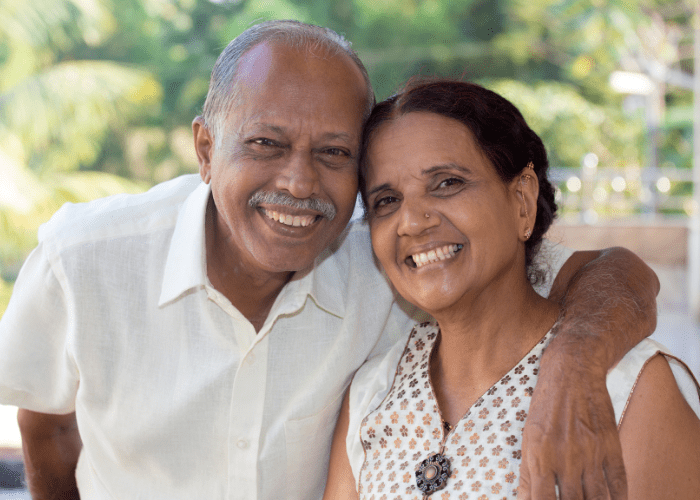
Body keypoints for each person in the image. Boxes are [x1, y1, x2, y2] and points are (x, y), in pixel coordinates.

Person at [0, 21, 661, 500]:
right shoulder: (83, 261)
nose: (298, 183)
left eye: (334, 154)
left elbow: (610, 272)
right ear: (205, 148)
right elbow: (48, 421)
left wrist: (573, 362)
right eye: (265, 142)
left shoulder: (389, 257)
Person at [323, 80, 700, 500]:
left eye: (447, 183)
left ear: (522, 200)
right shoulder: (373, 393)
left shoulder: (627, 388)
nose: (411, 221)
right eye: (387, 201)